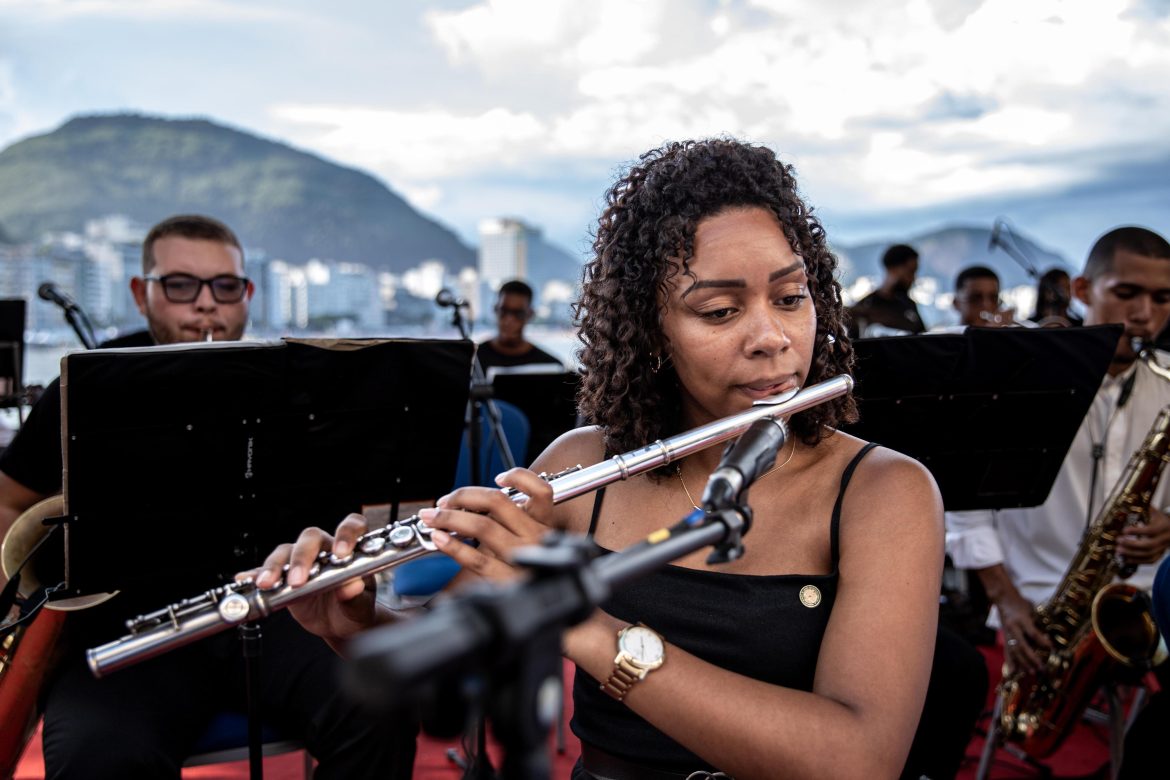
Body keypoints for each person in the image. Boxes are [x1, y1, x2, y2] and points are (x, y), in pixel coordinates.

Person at [255, 139, 945, 779]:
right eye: (719, 312)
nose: (773, 337)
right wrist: (361, 624)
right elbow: (442, 657)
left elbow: (858, 760)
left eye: (792, 299)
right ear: (651, 331)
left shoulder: (885, 492)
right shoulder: (584, 466)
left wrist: (579, 624)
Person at [0, 214, 415, 779]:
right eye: (180, 285)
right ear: (141, 293)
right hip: (129, 627)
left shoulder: (302, 383)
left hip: (279, 612)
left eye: (225, 286)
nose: (204, 304)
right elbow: (9, 501)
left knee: (384, 706)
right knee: (93, 757)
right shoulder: (85, 384)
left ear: (246, 294)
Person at [946, 226, 1170, 777]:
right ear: (1082, 288)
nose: (1144, 314)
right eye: (1127, 293)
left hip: (1143, 603)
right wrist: (1006, 598)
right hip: (1037, 599)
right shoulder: (1025, 383)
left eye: (1162, 299)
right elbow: (964, 503)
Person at [475, 279, 562, 371]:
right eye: (504, 311)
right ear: (495, 310)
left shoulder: (550, 367)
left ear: (530, 314)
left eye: (518, 313)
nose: (509, 320)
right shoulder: (473, 361)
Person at [847, 243, 927, 338]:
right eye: (910, 272)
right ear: (893, 269)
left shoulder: (909, 305)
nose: (913, 279)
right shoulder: (863, 308)